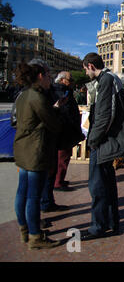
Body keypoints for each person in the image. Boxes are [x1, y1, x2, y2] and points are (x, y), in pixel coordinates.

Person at [13, 62, 65, 250]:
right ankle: (35, 236)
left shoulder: (23, 95)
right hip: (36, 151)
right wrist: (57, 110)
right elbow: (53, 125)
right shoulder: (37, 97)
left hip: (22, 149)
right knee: (33, 196)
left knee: (22, 192)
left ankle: (24, 230)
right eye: (49, 77)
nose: (51, 80)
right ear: (41, 76)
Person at [80, 53, 124, 241]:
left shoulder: (106, 80)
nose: (85, 72)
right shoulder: (111, 79)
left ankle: (98, 227)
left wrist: (92, 140)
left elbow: (104, 115)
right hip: (108, 141)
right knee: (107, 185)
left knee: (98, 186)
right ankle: (111, 222)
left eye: (85, 68)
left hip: (103, 143)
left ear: (91, 66)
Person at [51, 71, 85, 191]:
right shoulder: (60, 92)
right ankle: (57, 182)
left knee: (64, 157)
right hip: (64, 130)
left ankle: (59, 179)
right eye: (70, 80)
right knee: (62, 157)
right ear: (62, 80)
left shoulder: (65, 91)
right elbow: (66, 112)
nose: (72, 82)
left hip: (66, 130)